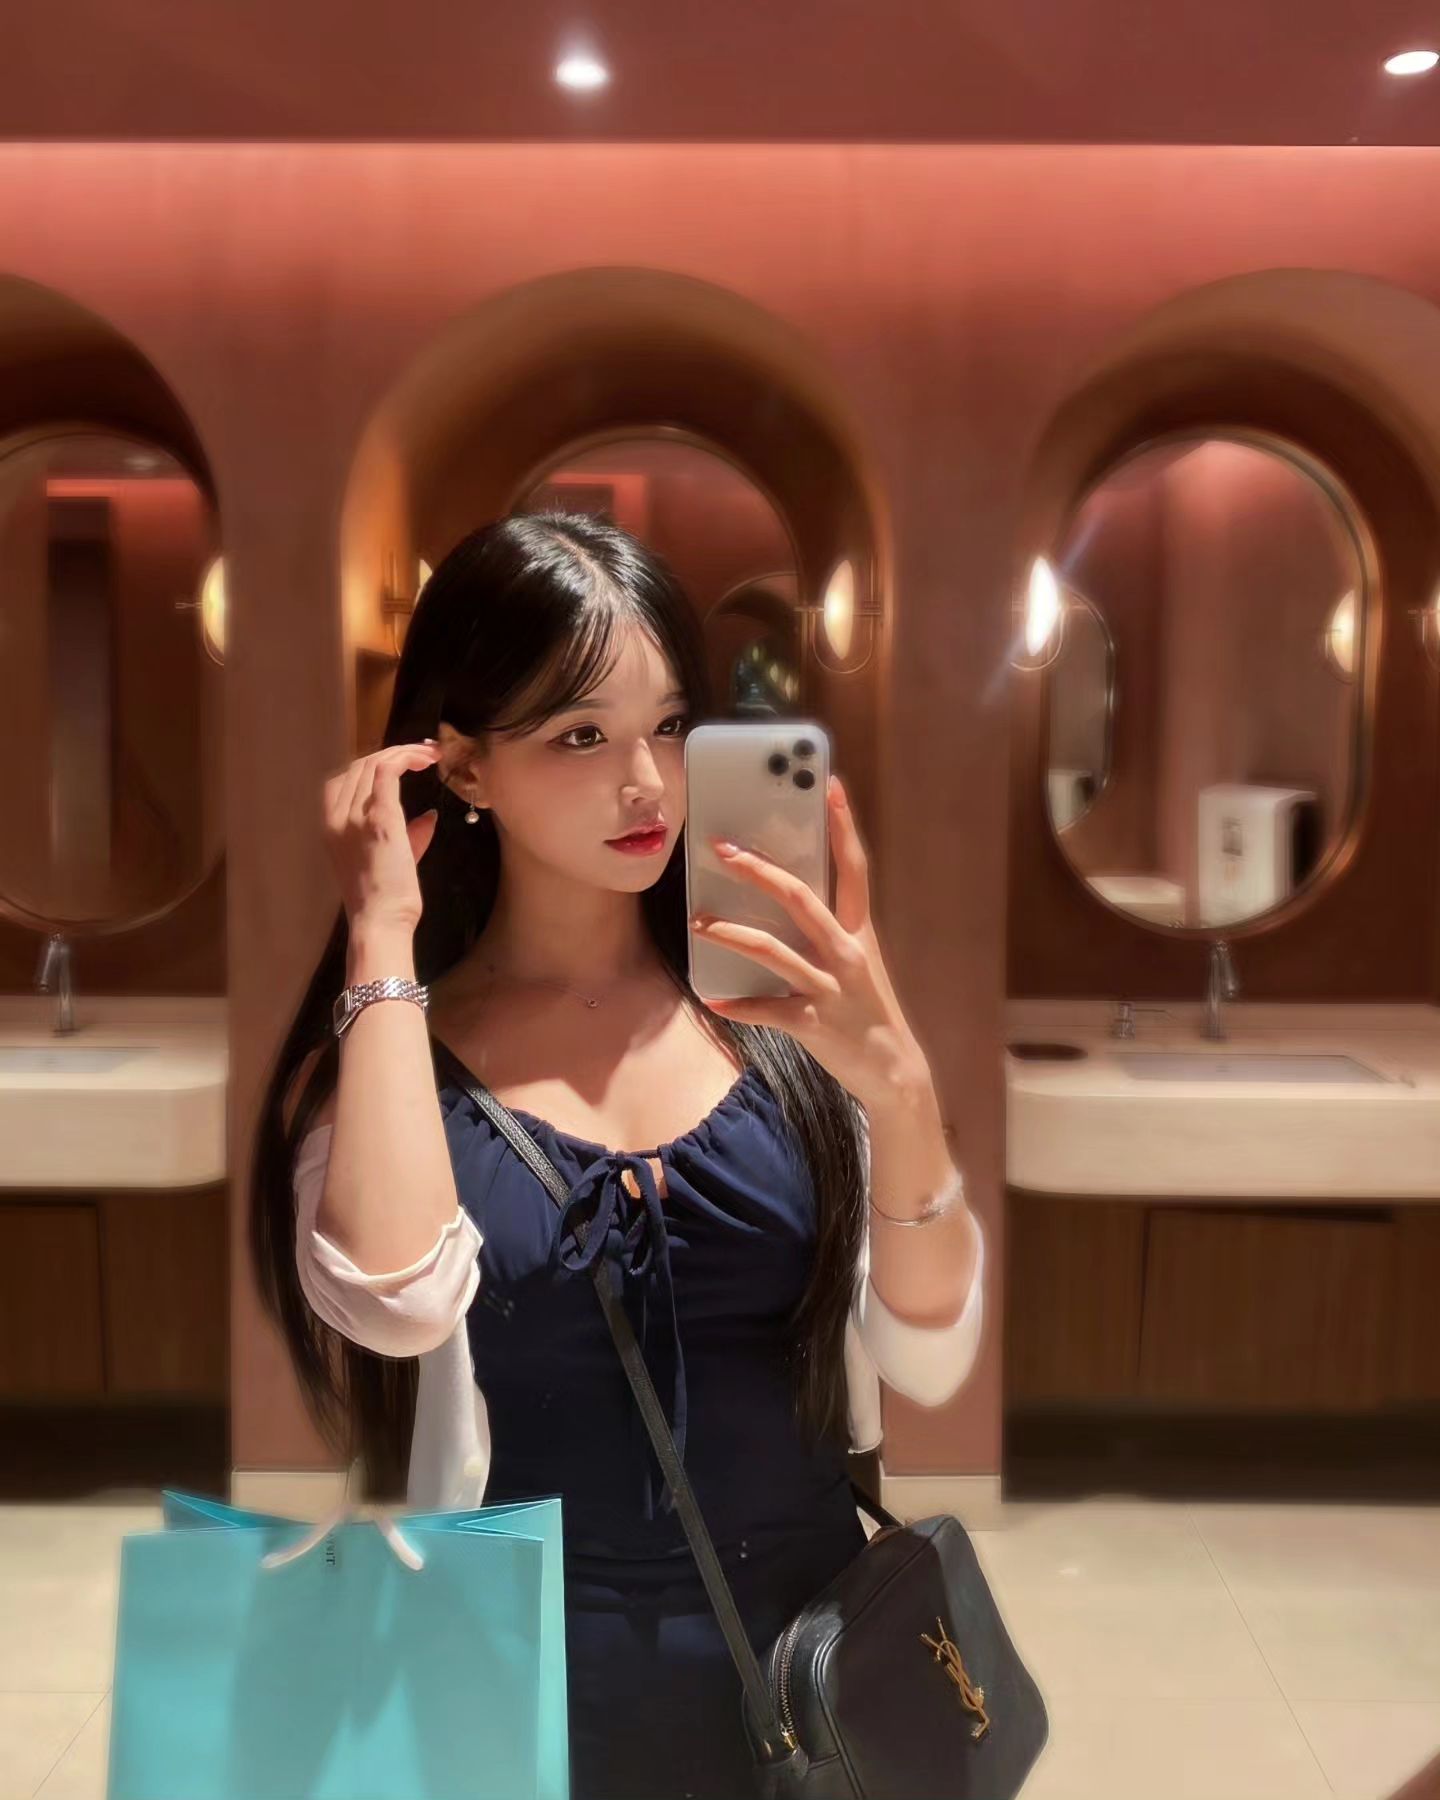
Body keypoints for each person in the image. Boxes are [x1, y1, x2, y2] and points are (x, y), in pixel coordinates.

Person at [249, 512, 985, 1800]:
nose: (648, 782)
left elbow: (927, 1355)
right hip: (525, 1685)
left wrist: (903, 1090)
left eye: (671, 726)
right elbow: (394, 1300)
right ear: (463, 767)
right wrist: (380, 939)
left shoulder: (781, 1028)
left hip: (807, 1670)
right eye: (581, 735)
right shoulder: (396, 1056)